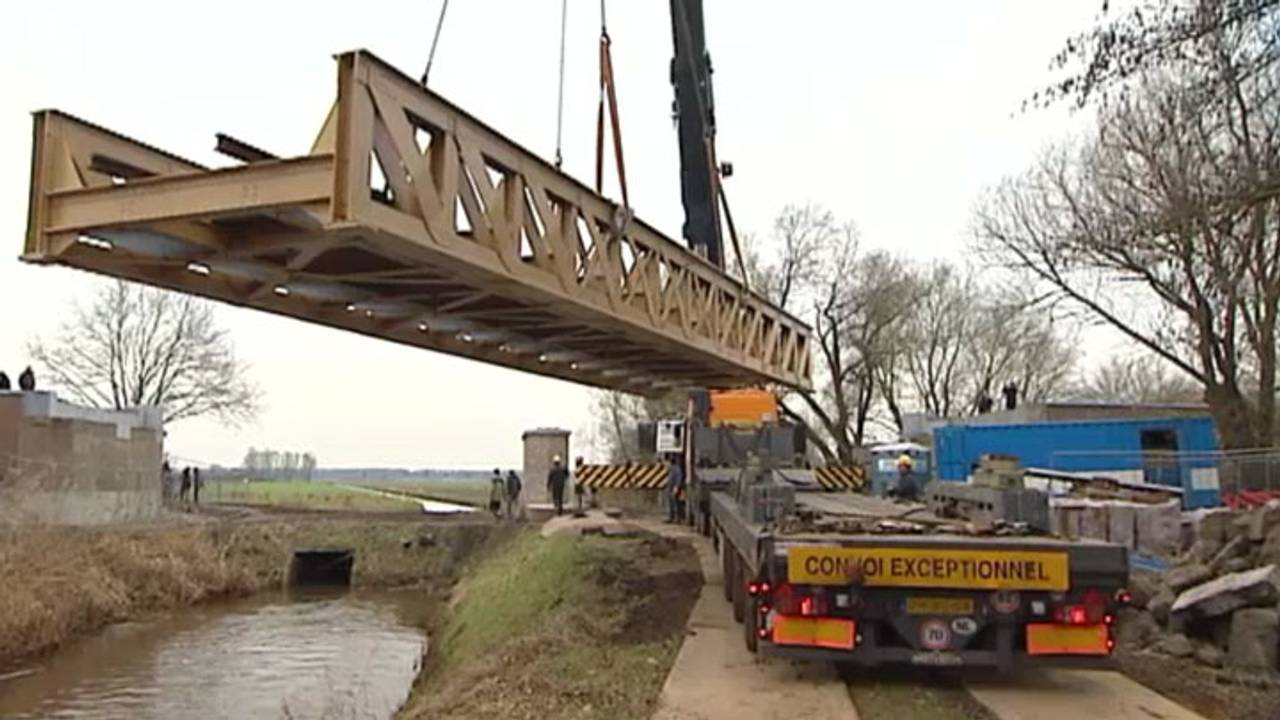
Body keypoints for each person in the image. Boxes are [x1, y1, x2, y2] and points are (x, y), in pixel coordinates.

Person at [666, 456, 685, 523]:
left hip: (674, 488)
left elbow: (679, 478)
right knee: (670, 503)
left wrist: (676, 487)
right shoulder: (671, 469)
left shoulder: (676, 469)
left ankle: (677, 518)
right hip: (670, 488)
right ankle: (671, 517)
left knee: (675, 503)